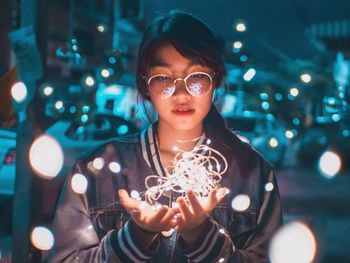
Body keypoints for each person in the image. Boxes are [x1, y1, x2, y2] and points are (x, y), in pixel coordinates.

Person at [48, 10, 282, 263]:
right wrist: (134, 237)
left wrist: (204, 239)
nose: (181, 93)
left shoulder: (253, 173)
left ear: (215, 81)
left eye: (197, 78)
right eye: (164, 79)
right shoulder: (97, 172)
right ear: (146, 86)